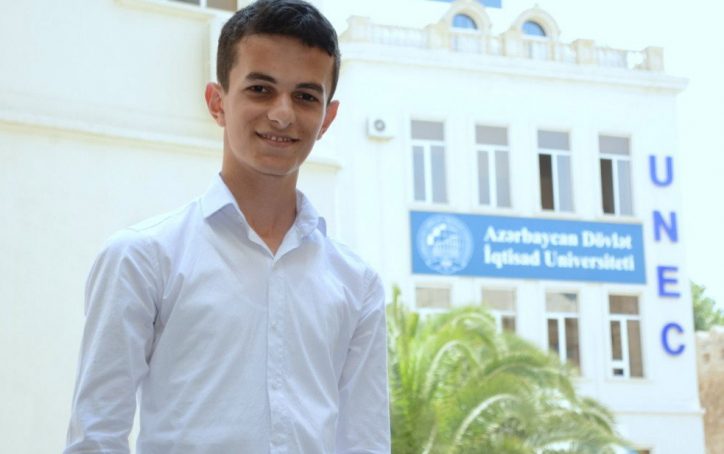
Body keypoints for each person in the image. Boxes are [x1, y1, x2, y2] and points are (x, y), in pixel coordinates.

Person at [64, 0, 390, 452]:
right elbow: (96, 436)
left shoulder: (357, 284)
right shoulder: (142, 258)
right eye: (260, 89)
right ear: (217, 102)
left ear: (327, 119)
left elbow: (365, 443)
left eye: (305, 96)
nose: (282, 113)